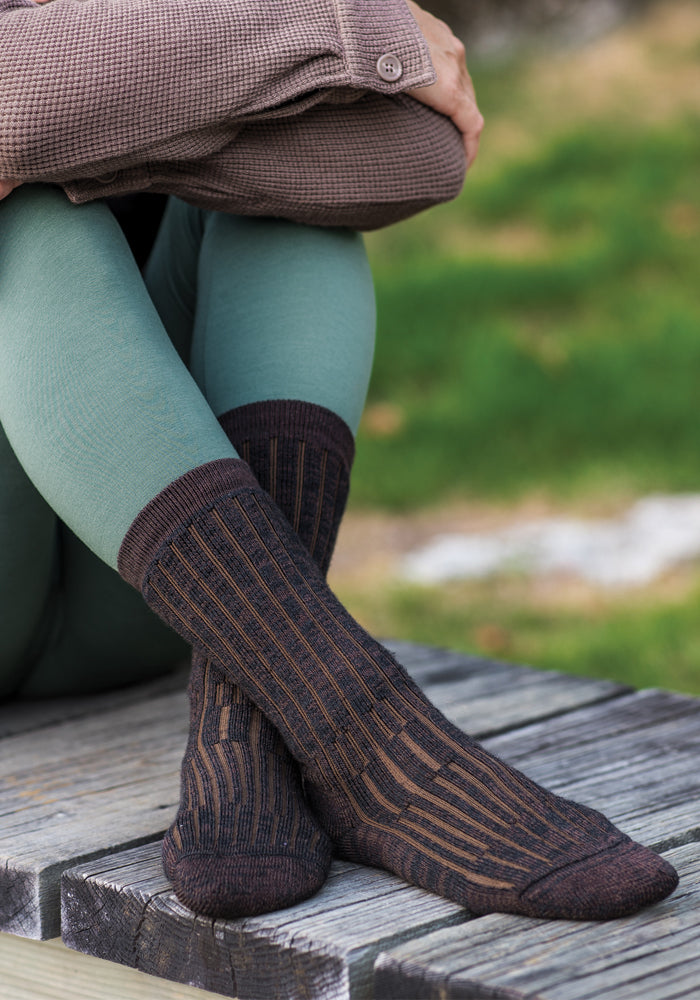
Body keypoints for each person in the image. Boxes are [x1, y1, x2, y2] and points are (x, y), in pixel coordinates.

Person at [0, 0, 678, 922]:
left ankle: (245, 726)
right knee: (32, 223)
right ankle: (364, 730)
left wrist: (74, 123)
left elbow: (408, 149)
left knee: (288, 205)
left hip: (142, 586)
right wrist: (356, 35)